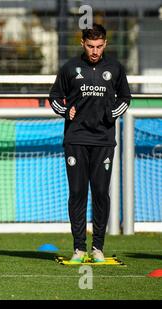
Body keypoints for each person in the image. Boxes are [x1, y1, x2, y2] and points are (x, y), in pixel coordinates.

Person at [49, 23, 131, 263]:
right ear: (82, 44)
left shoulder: (115, 69)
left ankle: (98, 248)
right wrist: (65, 111)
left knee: (100, 193)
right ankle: (78, 249)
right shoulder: (70, 68)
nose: (94, 51)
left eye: (98, 46)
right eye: (90, 46)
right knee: (77, 192)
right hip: (76, 139)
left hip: (104, 140)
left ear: (105, 44)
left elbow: (126, 97)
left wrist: (113, 113)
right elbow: (54, 96)